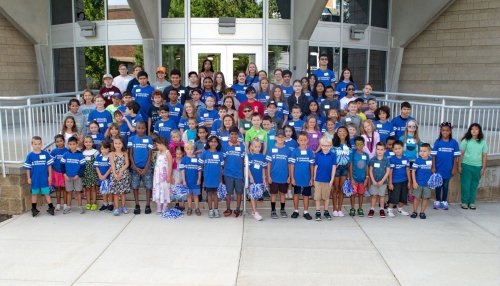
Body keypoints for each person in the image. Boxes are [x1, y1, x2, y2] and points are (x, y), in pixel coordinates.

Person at [431, 122, 460, 210]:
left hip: (448, 168)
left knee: (445, 185)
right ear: (441, 131)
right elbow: (433, 155)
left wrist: (454, 167)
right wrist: (433, 166)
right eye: (443, 130)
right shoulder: (438, 142)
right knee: (438, 185)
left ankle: (444, 201)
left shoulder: (454, 143)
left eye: (447, 130)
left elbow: (456, 157)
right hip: (439, 168)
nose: (445, 132)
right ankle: (437, 200)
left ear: (450, 131)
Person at [24, 136, 55, 217]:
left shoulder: (46, 154)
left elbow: (49, 166)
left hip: (44, 179)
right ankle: (34, 209)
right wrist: (28, 178)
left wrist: (50, 176)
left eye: (39, 144)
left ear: (41, 144)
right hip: (35, 179)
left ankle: (51, 208)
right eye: (35, 144)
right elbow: (28, 168)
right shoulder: (30, 156)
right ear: (32, 144)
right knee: (34, 194)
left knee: (47, 193)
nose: (37, 146)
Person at [459, 123, 488, 210]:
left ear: (479, 131)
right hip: (466, 165)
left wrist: (483, 168)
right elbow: (461, 154)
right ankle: (464, 202)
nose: (474, 130)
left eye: (476, 129)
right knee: (465, 185)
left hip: (477, 167)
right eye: (472, 129)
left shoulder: (483, 142)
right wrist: (459, 166)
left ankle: (472, 202)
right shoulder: (466, 141)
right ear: (470, 131)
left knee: (474, 185)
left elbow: (484, 156)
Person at [128, 121, 154, 215]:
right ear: (136, 128)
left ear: (145, 129)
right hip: (135, 168)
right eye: (139, 128)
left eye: (143, 128)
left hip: (146, 168)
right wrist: (134, 167)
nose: (141, 130)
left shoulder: (149, 139)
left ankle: (147, 205)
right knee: (135, 187)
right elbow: (130, 154)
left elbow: (150, 154)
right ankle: (137, 205)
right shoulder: (131, 139)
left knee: (148, 187)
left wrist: (146, 167)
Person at [289, 131, 315, 220]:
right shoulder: (295, 152)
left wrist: (312, 178)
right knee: (296, 194)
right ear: (298, 141)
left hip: (307, 178)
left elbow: (312, 166)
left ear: (307, 140)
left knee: (306, 195)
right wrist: (292, 177)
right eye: (301, 140)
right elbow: (292, 165)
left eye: (304, 140)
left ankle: (306, 212)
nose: (303, 142)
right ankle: (296, 210)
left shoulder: (310, 152)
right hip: (296, 178)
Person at [266, 129, 291, 219]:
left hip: (284, 177)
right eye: (278, 137)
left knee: (282, 194)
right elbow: (268, 163)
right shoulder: (271, 149)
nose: (280, 138)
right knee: (273, 194)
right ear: (275, 137)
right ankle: (273, 210)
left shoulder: (288, 150)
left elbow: (289, 164)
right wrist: (268, 175)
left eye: (282, 137)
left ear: (285, 138)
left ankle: (282, 210)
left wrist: (289, 176)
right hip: (273, 176)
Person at [222, 127, 246, 217]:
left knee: (239, 192)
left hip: (239, 174)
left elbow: (242, 160)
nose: (234, 136)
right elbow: (224, 160)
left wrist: (243, 173)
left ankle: (237, 209)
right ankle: (228, 209)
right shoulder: (225, 146)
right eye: (232, 134)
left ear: (238, 135)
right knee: (229, 193)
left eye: (235, 134)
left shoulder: (242, 146)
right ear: (229, 135)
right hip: (228, 173)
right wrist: (223, 172)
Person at [313, 136, 336, 221]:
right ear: (321, 146)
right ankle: (318, 212)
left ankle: (326, 211)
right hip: (318, 180)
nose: (325, 147)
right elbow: (316, 167)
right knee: (317, 197)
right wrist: (314, 179)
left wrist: (332, 179)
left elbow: (334, 168)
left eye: (327, 145)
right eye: (323, 145)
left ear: (330, 146)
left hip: (328, 180)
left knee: (326, 197)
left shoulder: (333, 155)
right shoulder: (318, 155)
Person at [201, 135, 225, 218]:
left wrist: (221, 179)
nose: (213, 143)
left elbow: (222, 168)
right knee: (209, 194)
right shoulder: (205, 153)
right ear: (208, 142)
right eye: (211, 141)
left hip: (217, 178)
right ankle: (210, 210)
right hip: (208, 177)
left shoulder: (220, 154)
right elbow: (201, 166)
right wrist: (204, 175)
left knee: (215, 194)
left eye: (215, 141)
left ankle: (216, 209)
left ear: (218, 143)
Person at [61, 136, 86, 214]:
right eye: (70, 144)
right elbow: (62, 165)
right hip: (68, 177)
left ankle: (80, 206)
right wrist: (64, 174)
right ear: (68, 145)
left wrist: (78, 175)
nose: (72, 146)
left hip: (77, 177)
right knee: (69, 192)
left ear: (77, 144)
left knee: (78, 192)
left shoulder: (80, 155)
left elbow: (83, 166)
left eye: (74, 144)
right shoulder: (65, 154)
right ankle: (68, 207)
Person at [388, 140, 411, 217]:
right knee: (394, 197)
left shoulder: (406, 158)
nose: (397, 150)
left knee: (403, 196)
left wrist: (409, 181)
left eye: (399, 148)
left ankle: (400, 209)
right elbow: (390, 172)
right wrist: (390, 183)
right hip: (395, 181)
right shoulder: (392, 159)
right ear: (393, 150)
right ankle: (390, 210)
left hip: (404, 181)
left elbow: (408, 170)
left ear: (403, 148)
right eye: (395, 149)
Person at [368, 142, 391, 218]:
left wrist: (382, 181)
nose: (380, 151)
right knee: (374, 195)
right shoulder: (372, 160)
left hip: (383, 182)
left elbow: (387, 171)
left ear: (385, 150)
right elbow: (370, 171)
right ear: (375, 150)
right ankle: (372, 209)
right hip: (374, 182)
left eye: (382, 149)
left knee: (382, 196)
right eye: (378, 149)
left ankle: (382, 209)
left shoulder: (386, 160)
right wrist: (373, 180)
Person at [349, 136, 370, 217]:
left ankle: (360, 208)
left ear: (364, 144)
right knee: (353, 194)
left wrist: (367, 178)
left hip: (362, 179)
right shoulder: (353, 154)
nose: (359, 146)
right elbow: (350, 166)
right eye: (357, 144)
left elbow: (367, 167)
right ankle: (352, 208)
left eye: (361, 144)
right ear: (355, 145)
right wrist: (351, 178)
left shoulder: (366, 155)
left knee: (361, 194)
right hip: (354, 178)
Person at [332, 126, 351, 217]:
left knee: (341, 189)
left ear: (347, 133)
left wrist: (350, 175)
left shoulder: (349, 145)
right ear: (337, 133)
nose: (342, 133)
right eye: (340, 131)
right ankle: (334, 209)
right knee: (335, 189)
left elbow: (350, 161)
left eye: (344, 131)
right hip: (336, 169)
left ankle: (340, 209)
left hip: (345, 169)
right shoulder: (334, 145)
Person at [410, 143, 433, 219]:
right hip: (418, 183)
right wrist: (414, 182)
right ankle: (415, 211)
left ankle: (422, 212)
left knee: (425, 198)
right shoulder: (417, 160)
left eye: (424, 151)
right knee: (416, 198)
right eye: (421, 151)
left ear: (429, 152)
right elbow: (413, 171)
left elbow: (433, 171)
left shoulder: (431, 160)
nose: (422, 153)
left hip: (427, 184)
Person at [109, 137, 131, 216]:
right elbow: (112, 165)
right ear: (113, 144)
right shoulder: (111, 154)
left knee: (122, 193)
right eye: (116, 143)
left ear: (122, 144)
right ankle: (116, 208)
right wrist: (115, 174)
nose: (117, 145)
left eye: (119, 143)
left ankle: (123, 206)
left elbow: (127, 164)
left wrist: (121, 171)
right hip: (115, 175)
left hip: (124, 175)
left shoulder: (125, 153)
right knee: (115, 193)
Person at [180, 142, 202, 216]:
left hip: (195, 182)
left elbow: (199, 170)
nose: (190, 150)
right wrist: (184, 180)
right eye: (188, 149)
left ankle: (197, 208)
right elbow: (182, 171)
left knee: (196, 196)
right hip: (187, 181)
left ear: (194, 149)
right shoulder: (184, 159)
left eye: (191, 149)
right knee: (189, 195)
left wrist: (199, 179)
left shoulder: (197, 159)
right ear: (185, 149)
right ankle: (189, 208)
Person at [152, 137, 173, 214]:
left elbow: (170, 165)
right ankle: (158, 206)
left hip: (164, 176)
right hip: (157, 176)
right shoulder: (158, 152)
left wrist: (169, 176)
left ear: (162, 144)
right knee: (158, 189)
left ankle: (164, 206)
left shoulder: (168, 153)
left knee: (165, 189)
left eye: (157, 145)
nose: (157, 147)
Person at [247, 139, 267, 221]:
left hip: (259, 179)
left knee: (256, 196)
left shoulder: (262, 156)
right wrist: (250, 177)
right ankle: (255, 212)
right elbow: (247, 168)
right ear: (251, 147)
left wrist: (263, 178)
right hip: (252, 179)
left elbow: (263, 168)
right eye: (255, 146)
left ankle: (254, 210)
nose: (257, 148)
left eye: (259, 146)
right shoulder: (249, 156)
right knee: (252, 195)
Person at [81, 135, 99, 211]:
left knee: (93, 188)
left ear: (92, 142)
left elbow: (98, 162)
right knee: (87, 189)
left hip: (93, 172)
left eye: (90, 142)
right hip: (85, 173)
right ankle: (88, 203)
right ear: (84, 143)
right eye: (86, 142)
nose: (88, 143)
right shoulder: (82, 152)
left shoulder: (95, 152)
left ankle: (94, 203)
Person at [50, 135, 68, 211]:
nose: (59, 143)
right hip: (56, 173)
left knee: (64, 189)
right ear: (55, 143)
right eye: (57, 142)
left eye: (61, 141)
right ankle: (58, 204)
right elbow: (51, 163)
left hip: (64, 173)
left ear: (64, 141)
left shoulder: (67, 151)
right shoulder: (53, 152)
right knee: (57, 189)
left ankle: (65, 204)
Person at [94, 141, 112, 212]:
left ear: (109, 149)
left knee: (109, 191)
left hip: (108, 177)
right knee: (103, 191)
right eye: (102, 149)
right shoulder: (98, 156)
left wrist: (105, 175)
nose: (103, 150)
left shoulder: (110, 156)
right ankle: (105, 204)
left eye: (105, 149)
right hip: (101, 177)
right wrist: (100, 175)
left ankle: (110, 204)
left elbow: (111, 167)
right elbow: (96, 167)